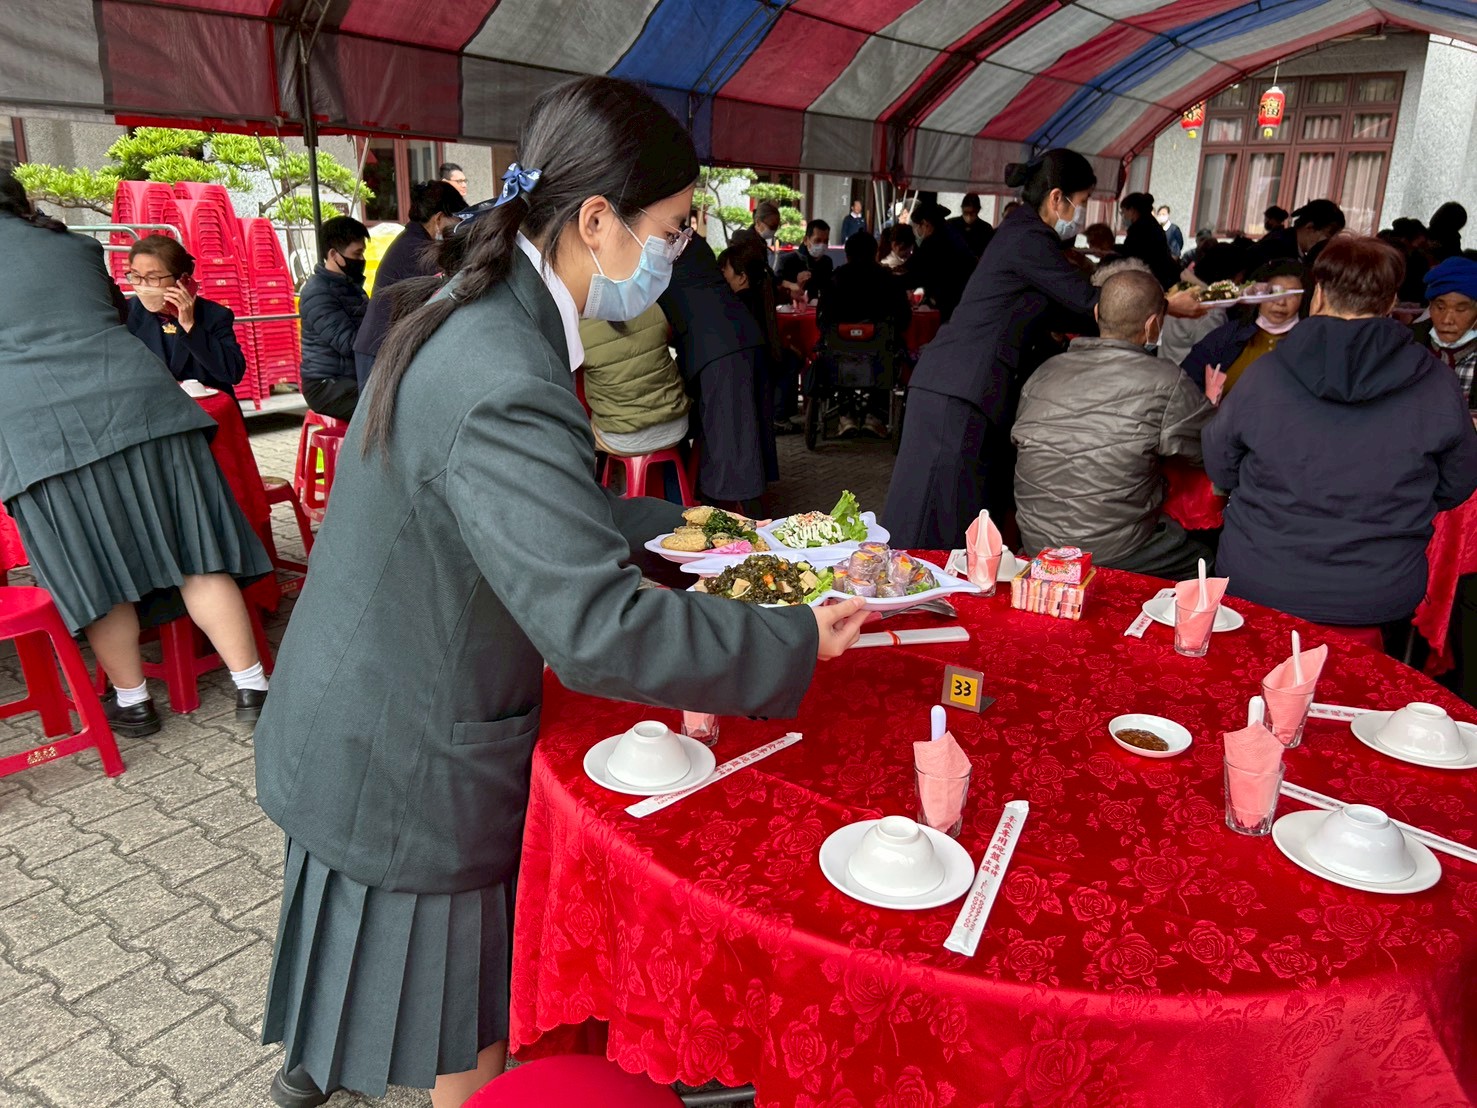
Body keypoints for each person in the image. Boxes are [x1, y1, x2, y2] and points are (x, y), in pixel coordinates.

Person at [255, 77, 869, 1108]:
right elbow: (593, 628)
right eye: (672, 231)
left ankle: (321, 1068)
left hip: (358, 696)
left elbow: (518, 511)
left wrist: (682, 526)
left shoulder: (473, 305)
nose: (676, 256)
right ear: (597, 221)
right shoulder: (504, 365)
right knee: (467, 1035)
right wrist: (794, 638)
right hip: (407, 743)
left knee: (409, 997)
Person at [0, 172, 270, 737]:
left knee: (96, 570)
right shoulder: (74, 244)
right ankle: (252, 688)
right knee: (199, 553)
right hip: (146, 405)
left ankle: (134, 703)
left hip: (44, 434)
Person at [882, 150, 1205, 548]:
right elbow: (1091, 301)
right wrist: (1168, 305)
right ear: (1057, 198)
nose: (1080, 215)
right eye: (1081, 203)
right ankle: (899, 605)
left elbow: (1071, 312)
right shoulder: (1028, 237)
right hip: (958, 389)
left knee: (962, 517)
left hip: (965, 388)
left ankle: (936, 601)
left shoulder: (1024, 236)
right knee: (930, 516)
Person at [1203, 236, 1477, 634]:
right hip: (1380, 589)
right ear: (1389, 303)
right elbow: (1456, 484)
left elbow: (1221, 466)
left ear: (1318, 297)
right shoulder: (1437, 384)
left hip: (1262, 578)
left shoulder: (1265, 375)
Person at [1013, 268, 1213, 578]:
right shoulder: (1165, 380)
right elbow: (1208, 449)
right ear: (1153, 325)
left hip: (1036, 540)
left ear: (1096, 313)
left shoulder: (1045, 371)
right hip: (1110, 550)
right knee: (1203, 556)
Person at [659, 234, 776, 505]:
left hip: (721, 350)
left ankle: (734, 529)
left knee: (732, 449)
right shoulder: (690, 245)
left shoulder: (668, 245)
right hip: (739, 339)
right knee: (743, 440)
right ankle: (737, 510)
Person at [123, 235, 246, 397]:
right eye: (136, 276)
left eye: (153, 278)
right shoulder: (126, 314)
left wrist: (190, 326)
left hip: (205, 413)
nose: (143, 286)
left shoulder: (214, 315)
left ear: (182, 280)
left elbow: (232, 373)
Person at [816, 230, 911, 437]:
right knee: (889, 349)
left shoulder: (834, 279)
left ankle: (845, 414)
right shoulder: (889, 280)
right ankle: (874, 415)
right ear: (875, 253)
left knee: (832, 352)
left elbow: (821, 320)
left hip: (840, 353)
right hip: (879, 354)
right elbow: (904, 319)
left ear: (847, 254)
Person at [579, 303, 692, 475]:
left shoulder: (578, 330)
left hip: (623, 439)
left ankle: (608, 491)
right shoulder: (651, 307)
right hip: (676, 425)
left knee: (577, 432)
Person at [1182, 261, 1305, 395]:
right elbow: (1187, 378)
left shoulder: (1310, 341)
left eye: (1292, 294)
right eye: (1272, 292)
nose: (1281, 302)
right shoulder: (1228, 336)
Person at [299, 215, 370, 422]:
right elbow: (349, 343)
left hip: (350, 378)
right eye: (357, 254)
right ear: (333, 254)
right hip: (326, 385)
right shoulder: (317, 292)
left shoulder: (350, 286)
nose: (361, 261)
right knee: (388, 407)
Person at [1157, 239, 1248, 366]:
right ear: (1228, 276)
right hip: (1185, 379)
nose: (1240, 284)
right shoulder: (1209, 309)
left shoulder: (1181, 289)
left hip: (1167, 368)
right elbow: (1211, 358)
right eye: (1240, 277)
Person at [372, 181, 463, 294]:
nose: (460, 227)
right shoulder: (418, 250)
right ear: (439, 219)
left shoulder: (411, 239)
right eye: (459, 220)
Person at [1415, 255, 1477, 404]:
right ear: (1430, 305)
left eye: (1461, 310)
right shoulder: (1407, 343)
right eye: (1440, 307)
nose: (1447, 320)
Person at [907, 201, 975, 320]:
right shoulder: (954, 234)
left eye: (918, 225)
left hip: (946, 304)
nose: (917, 229)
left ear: (925, 223)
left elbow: (915, 274)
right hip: (966, 301)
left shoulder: (933, 243)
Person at [1119, 192, 1181, 288]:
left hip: (1153, 278)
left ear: (1132, 210)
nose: (1123, 216)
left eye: (1123, 212)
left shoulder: (1139, 229)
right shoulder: (1152, 224)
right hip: (1164, 275)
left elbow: (1130, 252)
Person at [777, 218, 830, 299]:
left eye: (825, 241)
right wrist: (794, 286)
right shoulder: (787, 261)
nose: (822, 245)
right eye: (817, 240)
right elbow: (776, 291)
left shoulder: (827, 262)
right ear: (805, 240)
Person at [948, 193, 994, 259]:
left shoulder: (986, 228)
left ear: (978, 210)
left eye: (972, 213)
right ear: (962, 209)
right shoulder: (951, 224)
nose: (969, 216)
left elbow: (989, 252)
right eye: (966, 212)